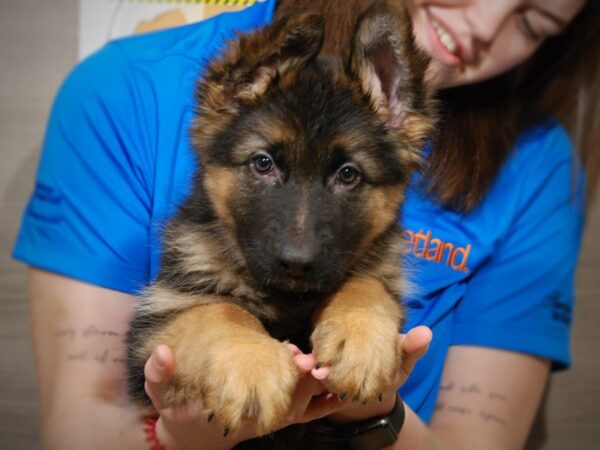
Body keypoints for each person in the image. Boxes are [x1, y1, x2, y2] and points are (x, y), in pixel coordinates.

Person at [13, 0, 599, 448]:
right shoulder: (126, 90)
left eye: (534, 22)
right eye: (264, 165)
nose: (483, 27)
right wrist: (178, 436)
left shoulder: (538, 168)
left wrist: (372, 409)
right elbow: (81, 420)